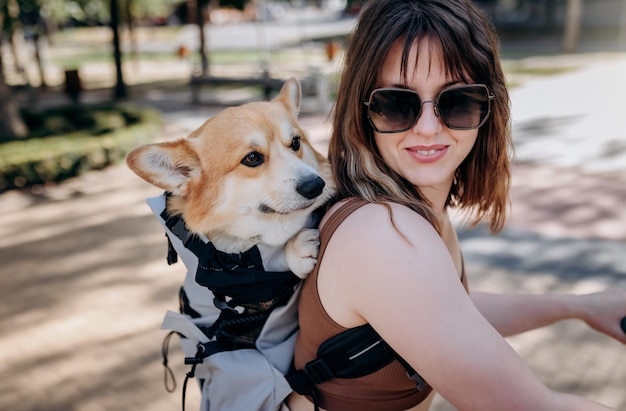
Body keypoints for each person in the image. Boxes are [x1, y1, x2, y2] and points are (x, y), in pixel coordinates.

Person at [285, 0, 626, 410]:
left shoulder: (411, 210)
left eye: (457, 101)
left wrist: (576, 306)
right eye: (397, 105)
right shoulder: (383, 235)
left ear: (489, 108)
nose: (428, 128)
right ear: (362, 112)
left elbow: (450, 310)